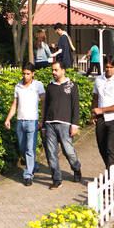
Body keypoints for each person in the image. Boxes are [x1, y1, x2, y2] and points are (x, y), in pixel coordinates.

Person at [42, 60, 83, 188]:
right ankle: (56, 179)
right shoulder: (50, 86)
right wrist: (43, 125)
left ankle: (76, 168)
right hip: (49, 124)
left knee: (68, 151)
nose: (53, 72)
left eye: (56, 70)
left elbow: (75, 106)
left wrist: (75, 124)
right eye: (52, 70)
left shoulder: (72, 85)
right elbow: (45, 106)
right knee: (51, 152)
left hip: (65, 124)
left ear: (63, 70)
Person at [3, 64, 45, 185]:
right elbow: (15, 104)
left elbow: (44, 102)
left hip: (32, 121)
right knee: (22, 148)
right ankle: (34, 165)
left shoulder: (38, 85)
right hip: (20, 121)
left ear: (33, 73)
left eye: (28, 74)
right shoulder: (18, 86)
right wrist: (8, 119)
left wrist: (42, 120)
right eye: (24, 73)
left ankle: (28, 175)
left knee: (30, 149)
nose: (25, 76)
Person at [91, 57, 114, 174]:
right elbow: (95, 98)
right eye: (107, 67)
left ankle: (110, 179)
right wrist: (94, 114)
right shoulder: (98, 80)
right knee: (102, 147)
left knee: (111, 149)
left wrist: (101, 110)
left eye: (111, 67)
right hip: (101, 119)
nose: (109, 70)